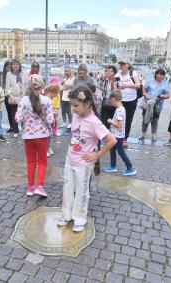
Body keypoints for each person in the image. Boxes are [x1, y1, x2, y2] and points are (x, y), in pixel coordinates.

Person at [57, 86, 116, 232]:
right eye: (71, 105)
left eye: (76, 105)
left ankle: (79, 218)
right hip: (70, 161)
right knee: (67, 189)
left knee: (82, 192)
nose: (73, 108)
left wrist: (97, 155)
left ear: (87, 103)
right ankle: (66, 215)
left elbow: (112, 140)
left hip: (83, 164)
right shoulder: (76, 116)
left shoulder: (94, 122)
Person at [15, 75, 54, 197]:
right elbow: (50, 120)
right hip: (42, 135)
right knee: (42, 161)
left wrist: (27, 116)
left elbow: (18, 118)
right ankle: (39, 186)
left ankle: (30, 188)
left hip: (28, 136)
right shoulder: (47, 101)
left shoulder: (23, 100)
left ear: (29, 86)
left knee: (30, 162)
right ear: (42, 86)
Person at [102, 90, 136, 175]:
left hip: (118, 136)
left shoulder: (120, 110)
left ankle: (130, 168)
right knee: (112, 149)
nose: (110, 103)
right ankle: (113, 166)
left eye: (110, 101)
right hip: (115, 135)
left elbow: (120, 125)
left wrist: (110, 121)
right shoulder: (120, 109)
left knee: (121, 152)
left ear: (113, 99)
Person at [115, 59, 141, 147]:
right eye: (120, 64)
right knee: (119, 119)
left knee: (128, 120)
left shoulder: (133, 74)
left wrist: (126, 85)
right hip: (121, 100)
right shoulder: (117, 75)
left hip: (131, 100)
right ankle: (118, 137)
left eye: (123, 64)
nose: (121, 66)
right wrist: (118, 88)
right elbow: (115, 87)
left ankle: (125, 139)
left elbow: (138, 85)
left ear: (127, 65)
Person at [141, 68, 170, 141]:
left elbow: (168, 95)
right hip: (148, 104)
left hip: (157, 105)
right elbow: (143, 91)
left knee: (155, 120)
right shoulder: (149, 82)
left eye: (162, 75)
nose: (161, 76)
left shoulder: (165, 84)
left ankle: (154, 135)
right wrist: (146, 95)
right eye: (159, 74)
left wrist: (161, 96)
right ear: (156, 74)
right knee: (145, 119)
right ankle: (143, 134)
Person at [6, 59, 28, 138]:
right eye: (14, 64)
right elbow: (7, 87)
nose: (16, 65)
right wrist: (11, 96)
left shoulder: (23, 74)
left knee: (24, 114)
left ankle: (24, 129)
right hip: (14, 98)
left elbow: (27, 84)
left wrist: (26, 95)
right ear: (11, 66)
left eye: (17, 64)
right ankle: (16, 131)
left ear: (20, 65)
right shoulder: (9, 74)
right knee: (14, 115)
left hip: (23, 97)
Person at [98, 65, 117, 129]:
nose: (109, 73)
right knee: (103, 118)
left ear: (114, 73)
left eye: (111, 71)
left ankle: (110, 134)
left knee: (111, 118)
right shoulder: (105, 80)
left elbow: (114, 92)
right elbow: (100, 86)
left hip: (112, 101)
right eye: (107, 71)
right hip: (105, 100)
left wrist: (112, 83)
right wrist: (103, 78)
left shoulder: (115, 80)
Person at [45, 80, 60, 157]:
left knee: (49, 134)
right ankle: (45, 150)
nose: (56, 95)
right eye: (56, 93)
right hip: (46, 121)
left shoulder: (49, 98)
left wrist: (54, 111)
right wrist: (53, 112)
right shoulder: (46, 99)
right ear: (53, 92)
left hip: (50, 119)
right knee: (46, 135)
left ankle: (48, 148)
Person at [0, 61, 13, 133]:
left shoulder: (13, 74)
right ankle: (11, 126)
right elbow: (0, 86)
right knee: (9, 112)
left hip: (13, 95)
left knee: (14, 112)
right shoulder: (2, 75)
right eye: (7, 67)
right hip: (6, 95)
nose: (9, 69)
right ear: (5, 68)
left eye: (10, 67)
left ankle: (15, 127)